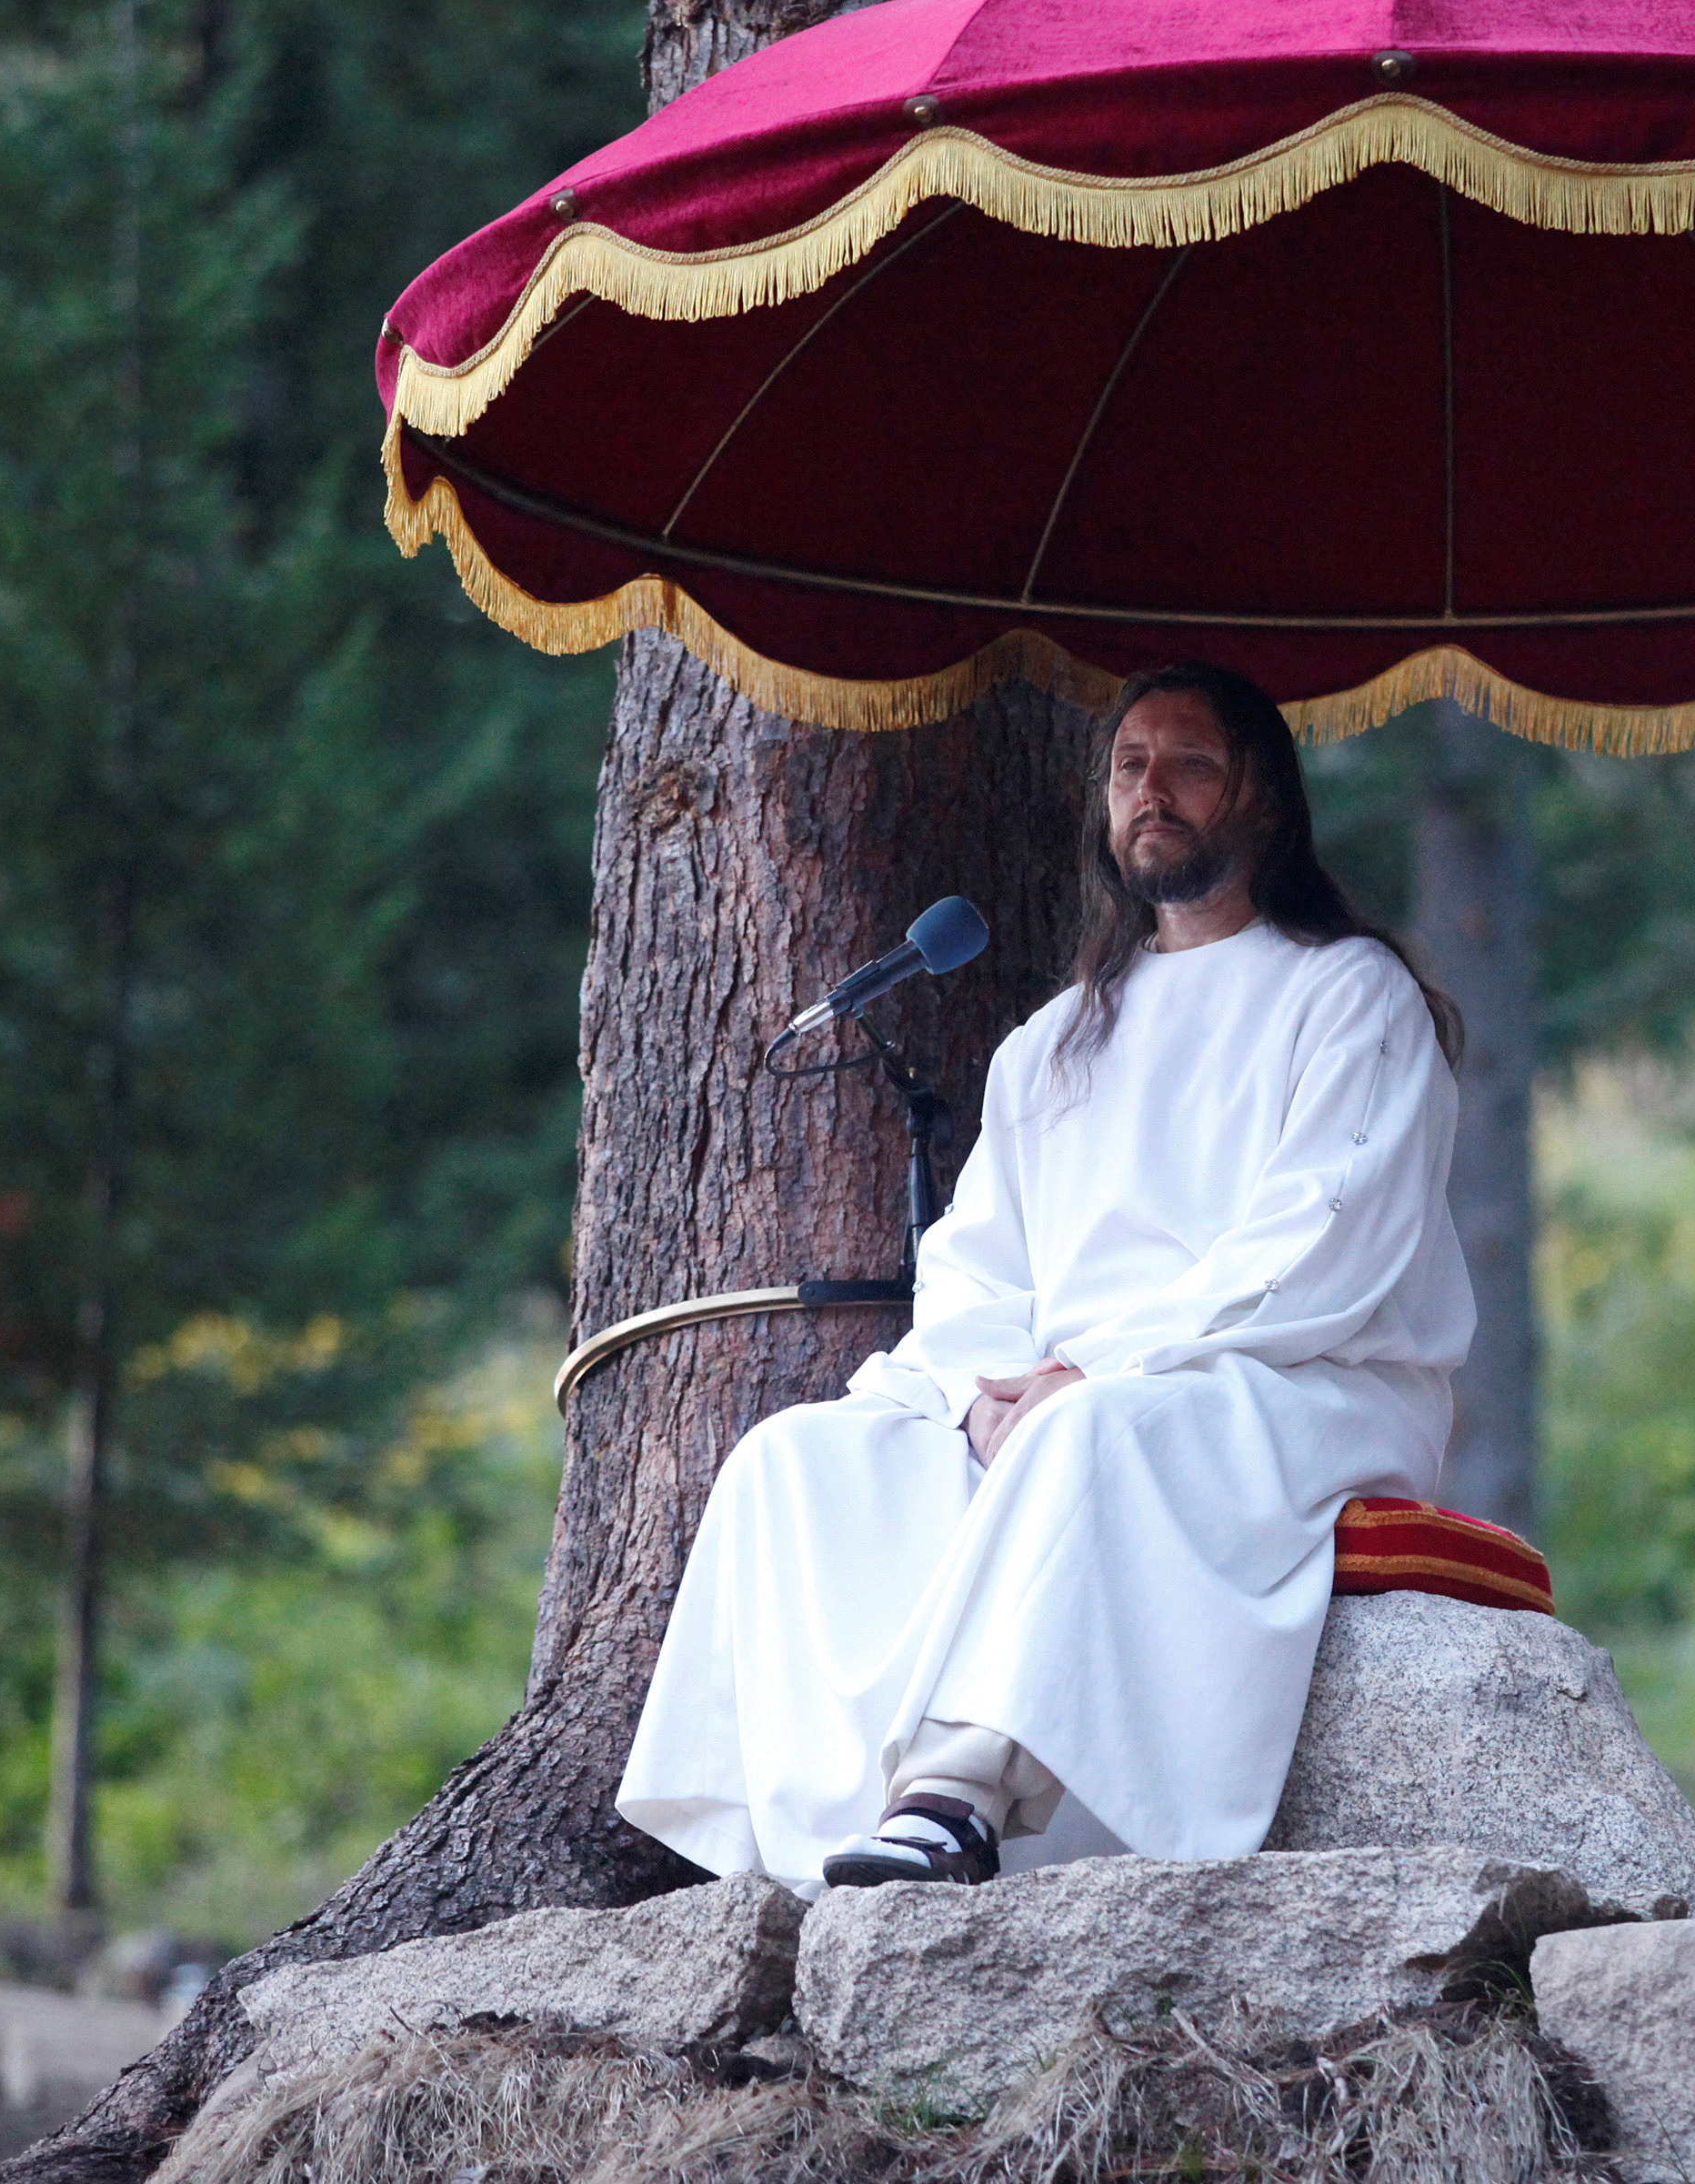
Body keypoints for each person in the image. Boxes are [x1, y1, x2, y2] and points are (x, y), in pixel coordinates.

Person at [617, 662, 1474, 1890]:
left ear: (1267, 804)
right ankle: (799, 1851)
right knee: (796, 1466)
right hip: (1067, 1396)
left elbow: (1320, 1244)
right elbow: (977, 1263)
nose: (1153, 792)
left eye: (1190, 764)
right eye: (1130, 766)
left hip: (1297, 1387)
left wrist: (1092, 1372)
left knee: (1092, 1434)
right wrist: (979, 1394)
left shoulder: (1348, 995)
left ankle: (955, 1803)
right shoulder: (1055, 1040)